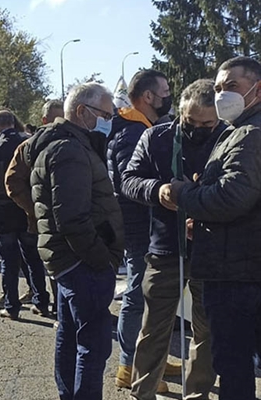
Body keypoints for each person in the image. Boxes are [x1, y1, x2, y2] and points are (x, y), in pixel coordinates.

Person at [121, 79, 223, 399]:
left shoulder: (230, 137)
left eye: (207, 123)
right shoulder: (156, 136)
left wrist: (206, 208)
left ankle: (197, 394)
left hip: (211, 247)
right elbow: (128, 180)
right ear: (180, 112)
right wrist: (156, 190)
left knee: (206, 330)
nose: (198, 129)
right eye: (191, 122)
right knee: (155, 327)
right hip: (165, 248)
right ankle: (143, 392)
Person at [167, 56, 261, 399]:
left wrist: (184, 193)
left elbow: (232, 197)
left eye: (231, 87)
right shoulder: (238, 130)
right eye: (219, 88)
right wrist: (203, 216)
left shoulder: (250, 134)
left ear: (257, 88)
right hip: (237, 261)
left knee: (234, 368)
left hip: (238, 274)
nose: (222, 95)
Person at [26, 83, 124, 399]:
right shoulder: (69, 150)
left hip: (69, 260)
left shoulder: (67, 145)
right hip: (81, 262)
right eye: (106, 114)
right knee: (92, 348)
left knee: (70, 337)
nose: (110, 121)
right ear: (82, 112)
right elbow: (72, 217)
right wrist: (100, 259)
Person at [110, 69, 181, 387]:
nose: (169, 97)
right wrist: (161, 190)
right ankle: (130, 368)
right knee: (138, 298)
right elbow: (129, 184)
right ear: (148, 97)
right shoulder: (133, 133)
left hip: (150, 228)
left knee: (155, 300)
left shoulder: (144, 127)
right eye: (165, 91)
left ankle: (155, 358)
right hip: (141, 229)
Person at [0, 109, 51, 320]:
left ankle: (12, 305)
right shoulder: (30, 144)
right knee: (33, 257)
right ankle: (42, 302)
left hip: (3, 210)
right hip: (28, 207)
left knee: (8, 261)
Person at [4, 99, 65, 313]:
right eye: (56, 119)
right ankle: (56, 308)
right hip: (40, 222)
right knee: (48, 266)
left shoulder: (78, 142)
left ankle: (61, 308)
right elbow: (12, 182)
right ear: (44, 120)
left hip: (72, 219)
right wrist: (33, 208)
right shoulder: (28, 147)